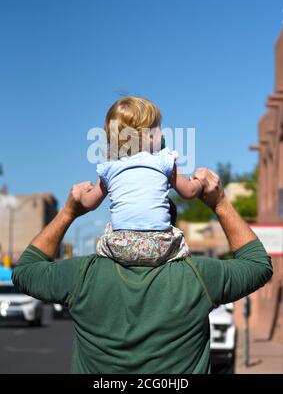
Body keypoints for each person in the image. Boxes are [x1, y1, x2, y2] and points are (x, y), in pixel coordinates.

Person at [12, 168, 273, 374]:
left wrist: (70, 211)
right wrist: (219, 203)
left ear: (115, 224)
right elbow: (258, 265)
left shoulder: (83, 275)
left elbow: (26, 271)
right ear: (170, 226)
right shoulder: (197, 277)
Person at [74, 96, 204, 266]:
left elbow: (88, 203)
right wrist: (200, 181)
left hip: (120, 247)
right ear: (148, 136)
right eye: (158, 128)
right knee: (178, 237)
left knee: (108, 231)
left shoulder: (110, 168)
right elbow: (189, 192)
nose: (163, 133)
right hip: (161, 246)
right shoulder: (165, 160)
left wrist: (82, 194)